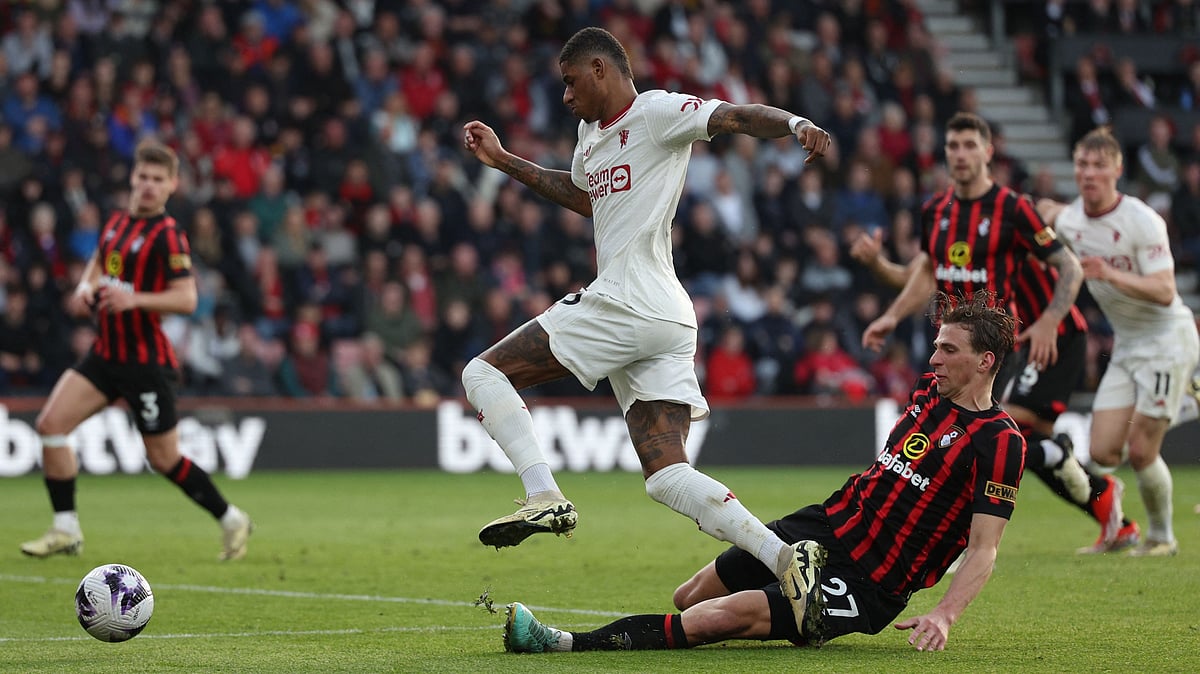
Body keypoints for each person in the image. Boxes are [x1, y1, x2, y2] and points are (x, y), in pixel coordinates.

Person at [460, 26, 831, 629]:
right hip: (666, 317)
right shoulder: (588, 139)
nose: (566, 96)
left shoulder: (659, 113)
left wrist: (793, 124)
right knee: (666, 476)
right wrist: (504, 162)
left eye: (571, 82)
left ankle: (545, 496)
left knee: (482, 372)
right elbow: (585, 199)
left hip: (628, 301)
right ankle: (787, 559)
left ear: (602, 69)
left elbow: (734, 118)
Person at [503, 290, 1026, 654]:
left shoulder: (1000, 442)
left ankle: (563, 642)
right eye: (935, 345)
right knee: (691, 598)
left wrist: (944, 615)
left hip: (870, 579)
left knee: (716, 620)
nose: (933, 357)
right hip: (822, 527)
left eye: (948, 349)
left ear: (984, 362)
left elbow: (983, 548)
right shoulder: (928, 393)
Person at [856, 112, 1131, 554]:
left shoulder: (1012, 208)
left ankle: (944, 542)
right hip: (952, 347)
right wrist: (890, 312)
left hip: (999, 348)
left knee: (981, 439)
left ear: (988, 152)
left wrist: (1047, 322)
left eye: (969, 146)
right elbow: (926, 272)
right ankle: (1097, 494)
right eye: (953, 146)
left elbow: (1069, 266)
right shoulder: (935, 211)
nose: (960, 155)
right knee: (1000, 441)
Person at [19, 140, 253, 561]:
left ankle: (232, 518)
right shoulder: (116, 224)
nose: (148, 185)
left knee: (163, 459)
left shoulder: (168, 236)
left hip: (146, 363)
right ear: (133, 178)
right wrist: (86, 285)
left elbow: (186, 299)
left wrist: (136, 300)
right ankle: (65, 528)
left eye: (158, 180)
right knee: (51, 424)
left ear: (172, 186)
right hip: (106, 353)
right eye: (143, 176)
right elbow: (100, 260)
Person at [1036, 128, 1200, 557]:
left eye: (1098, 166)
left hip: (1167, 339)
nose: (1088, 174)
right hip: (1128, 346)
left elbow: (1166, 291)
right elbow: (1046, 211)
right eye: (1082, 165)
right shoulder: (1072, 219)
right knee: (1102, 451)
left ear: (1117, 170)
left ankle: (1161, 537)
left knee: (1143, 451)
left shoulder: (1142, 220)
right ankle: (1187, 400)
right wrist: (1040, 207)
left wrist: (1110, 274)